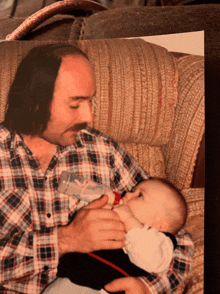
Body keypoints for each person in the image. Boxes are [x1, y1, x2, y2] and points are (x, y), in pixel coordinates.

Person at [0, 43, 194, 294]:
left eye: (90, 100)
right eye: (75, 104)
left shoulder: (103, 151)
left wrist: (147, 287)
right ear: (35, 102)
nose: (89, 116)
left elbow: (175, 232)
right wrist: (64, 240)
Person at [54, 175, 187, 293]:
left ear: (160, 225)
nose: (128, 194)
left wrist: (130, 220)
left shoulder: (160, 241)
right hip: (68, 278)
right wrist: (103, 201)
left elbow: (151, 260)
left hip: (102, 287)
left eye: (140, 195)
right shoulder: (119, 216)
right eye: (133, 191)